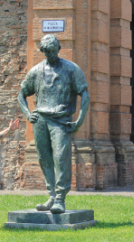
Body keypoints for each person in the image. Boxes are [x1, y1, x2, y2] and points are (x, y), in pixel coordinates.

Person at [18, 34, 90, 214]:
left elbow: (85, 94)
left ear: (59, 49)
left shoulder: (71, 69)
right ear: (42, 51)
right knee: (44, 158)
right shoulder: (35, 71)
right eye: (47, 51)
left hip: (61, 119)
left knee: (60, 157)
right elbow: (21, 95)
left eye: (53, 50)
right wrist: (28, 114)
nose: (50, 54)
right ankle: (51, 194)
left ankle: (60, 198)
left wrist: (79, 121)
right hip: (40, 119)